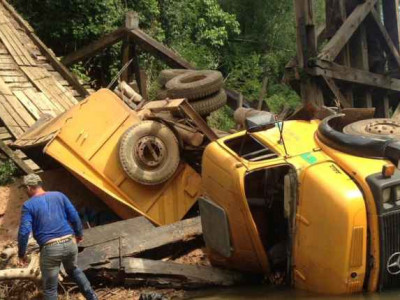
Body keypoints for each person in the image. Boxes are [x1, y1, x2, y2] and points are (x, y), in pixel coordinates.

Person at [18, 173, 98, 300]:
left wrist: (21, 254)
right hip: (69, 243)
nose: (24, 191)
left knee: (50, 289)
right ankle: (92, 297)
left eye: (24, 188)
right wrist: (78, 234)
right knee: (73, 269)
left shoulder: (28, 205)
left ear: (29, 187)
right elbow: (74, 216)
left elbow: (24, 231)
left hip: (50, 248)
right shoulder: (59, 195)